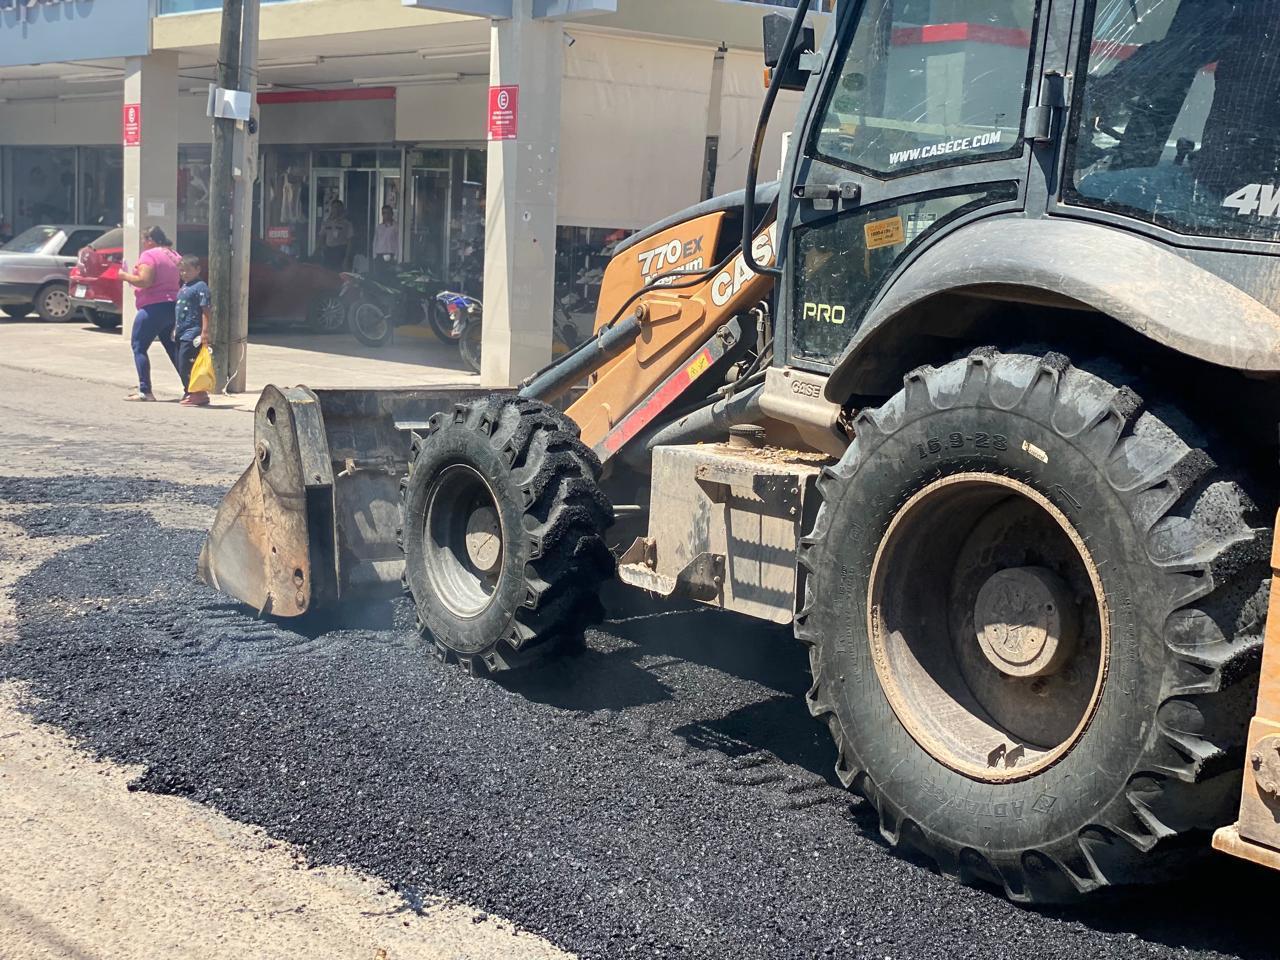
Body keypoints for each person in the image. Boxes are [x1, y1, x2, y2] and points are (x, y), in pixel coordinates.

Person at [119, 224, 182, 402]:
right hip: (172, 306)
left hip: (153, 306)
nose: (142, 243)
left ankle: (145, 390)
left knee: (138, 346)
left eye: (143, 239)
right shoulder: (174, 255)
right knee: (171, 346)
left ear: (150, 240)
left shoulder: (149, 255)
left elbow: (145, 281)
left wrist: (124, 276)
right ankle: (191, 388)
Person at [174, 254, 211, 407]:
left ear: (198, 269)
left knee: (187, 363)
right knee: (180, 363)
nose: (184, 274)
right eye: (182, 271)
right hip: (181, 331)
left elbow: (206, 310)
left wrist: (205, 332)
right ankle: (189, 391)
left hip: (193, 331)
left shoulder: (200, 287)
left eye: (188, 270)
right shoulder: (184, 286)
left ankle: (198, 394)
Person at [319, 199, 353, 271]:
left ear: (342, 209)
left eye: (338, 207)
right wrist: (322, 247)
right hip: (329, 251)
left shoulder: (347, 224)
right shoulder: (326, 222)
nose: (336, 209)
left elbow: (350, 241)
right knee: (327, 272)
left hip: (340, 251)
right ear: (331, 209)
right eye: (334, 207)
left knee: (338, 273)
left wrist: (347, 257)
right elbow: (322, 236)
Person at [371, 204, 400, 280]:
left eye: (388, 213)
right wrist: (374, 255)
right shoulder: (379, 227)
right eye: (384, 213)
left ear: (392, 214)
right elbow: (375, 241)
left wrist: (396, 256)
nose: (386, 215)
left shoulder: (396, 226)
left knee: (390, 277)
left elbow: (398, 242)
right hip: (379, 255)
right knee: (379, 277)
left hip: (391, 255)